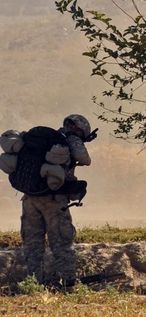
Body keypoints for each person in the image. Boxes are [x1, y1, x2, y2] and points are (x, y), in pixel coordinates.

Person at [19, 114, 92, 289]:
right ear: (78, 128)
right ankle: (66, 283)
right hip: (53, 198)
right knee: (61, 240)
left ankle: (35, 283)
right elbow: (84, 159)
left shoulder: (45, 140)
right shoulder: (70, 139)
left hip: (29, 198)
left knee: (33, 244)